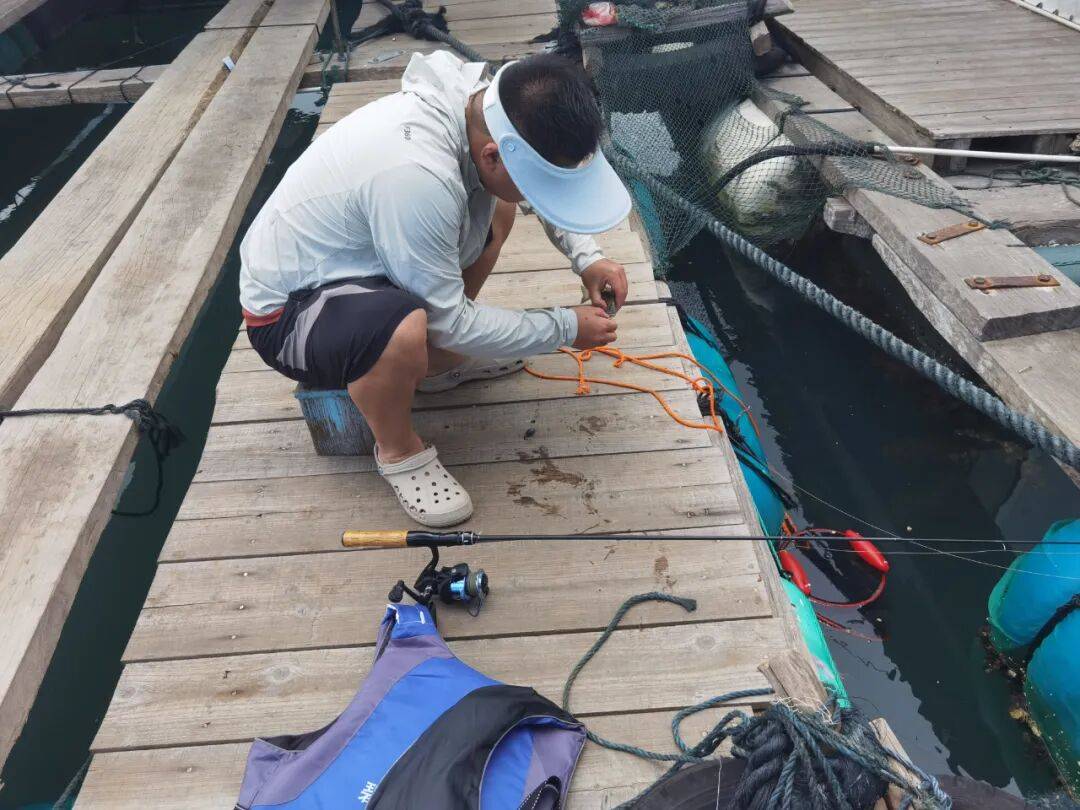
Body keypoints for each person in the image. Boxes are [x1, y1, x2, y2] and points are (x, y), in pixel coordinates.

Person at [239, 50, 632, 527]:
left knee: (500, 207)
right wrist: (564, 326)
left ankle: (434, 368)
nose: (539, 198)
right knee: (405, 331)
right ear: (493, 155)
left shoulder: (483, 105)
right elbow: (451, 321)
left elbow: (528, 176)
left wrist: (587, 258)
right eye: (537, 185)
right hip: (290, 312)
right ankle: (400, 451)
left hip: (365, 262)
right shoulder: (417, 178)